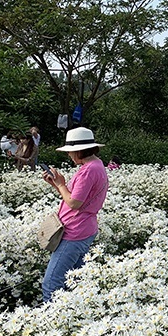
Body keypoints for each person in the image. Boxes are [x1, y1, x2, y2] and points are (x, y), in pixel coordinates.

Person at [41, 127, 108, 302]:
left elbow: (74, 203)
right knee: (76, 280)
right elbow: (76, 197)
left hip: (74, 231)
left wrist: (61, 184)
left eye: (70, 152)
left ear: (79, 150)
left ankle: (51, 320)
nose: (69, 156)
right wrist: (56, 184)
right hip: (84, 227)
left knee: (51, 284)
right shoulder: (95, 164)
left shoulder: (88, 170)